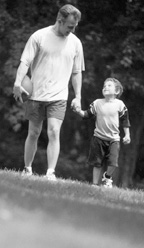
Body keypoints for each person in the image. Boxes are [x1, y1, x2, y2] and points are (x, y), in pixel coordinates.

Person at [13, 4, 85, 180]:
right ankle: (27, 169)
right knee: (34, 133)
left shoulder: (75, 43)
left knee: (54, 131)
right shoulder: (39, 36)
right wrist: (17, 82)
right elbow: (25, 62)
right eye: (69, 26)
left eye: (75, 26)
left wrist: (78, 96)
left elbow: (76, 72)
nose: (73, 29)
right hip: (36, 94)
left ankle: (50, 173)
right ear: (60, 21)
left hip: (59, 96)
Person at [74, 78, 131, 188]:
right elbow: (87, 115)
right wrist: (78, 111)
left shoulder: (120, 104)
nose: (105, 87)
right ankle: (95, 184)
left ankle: (107, 176)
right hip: (98, 138)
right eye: (104, 85)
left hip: (114, 139)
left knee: (113, 162)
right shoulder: (97, 103)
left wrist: (127, 135)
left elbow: (125, 120)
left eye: (109, 85)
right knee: (97, 163)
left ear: (117, 91)